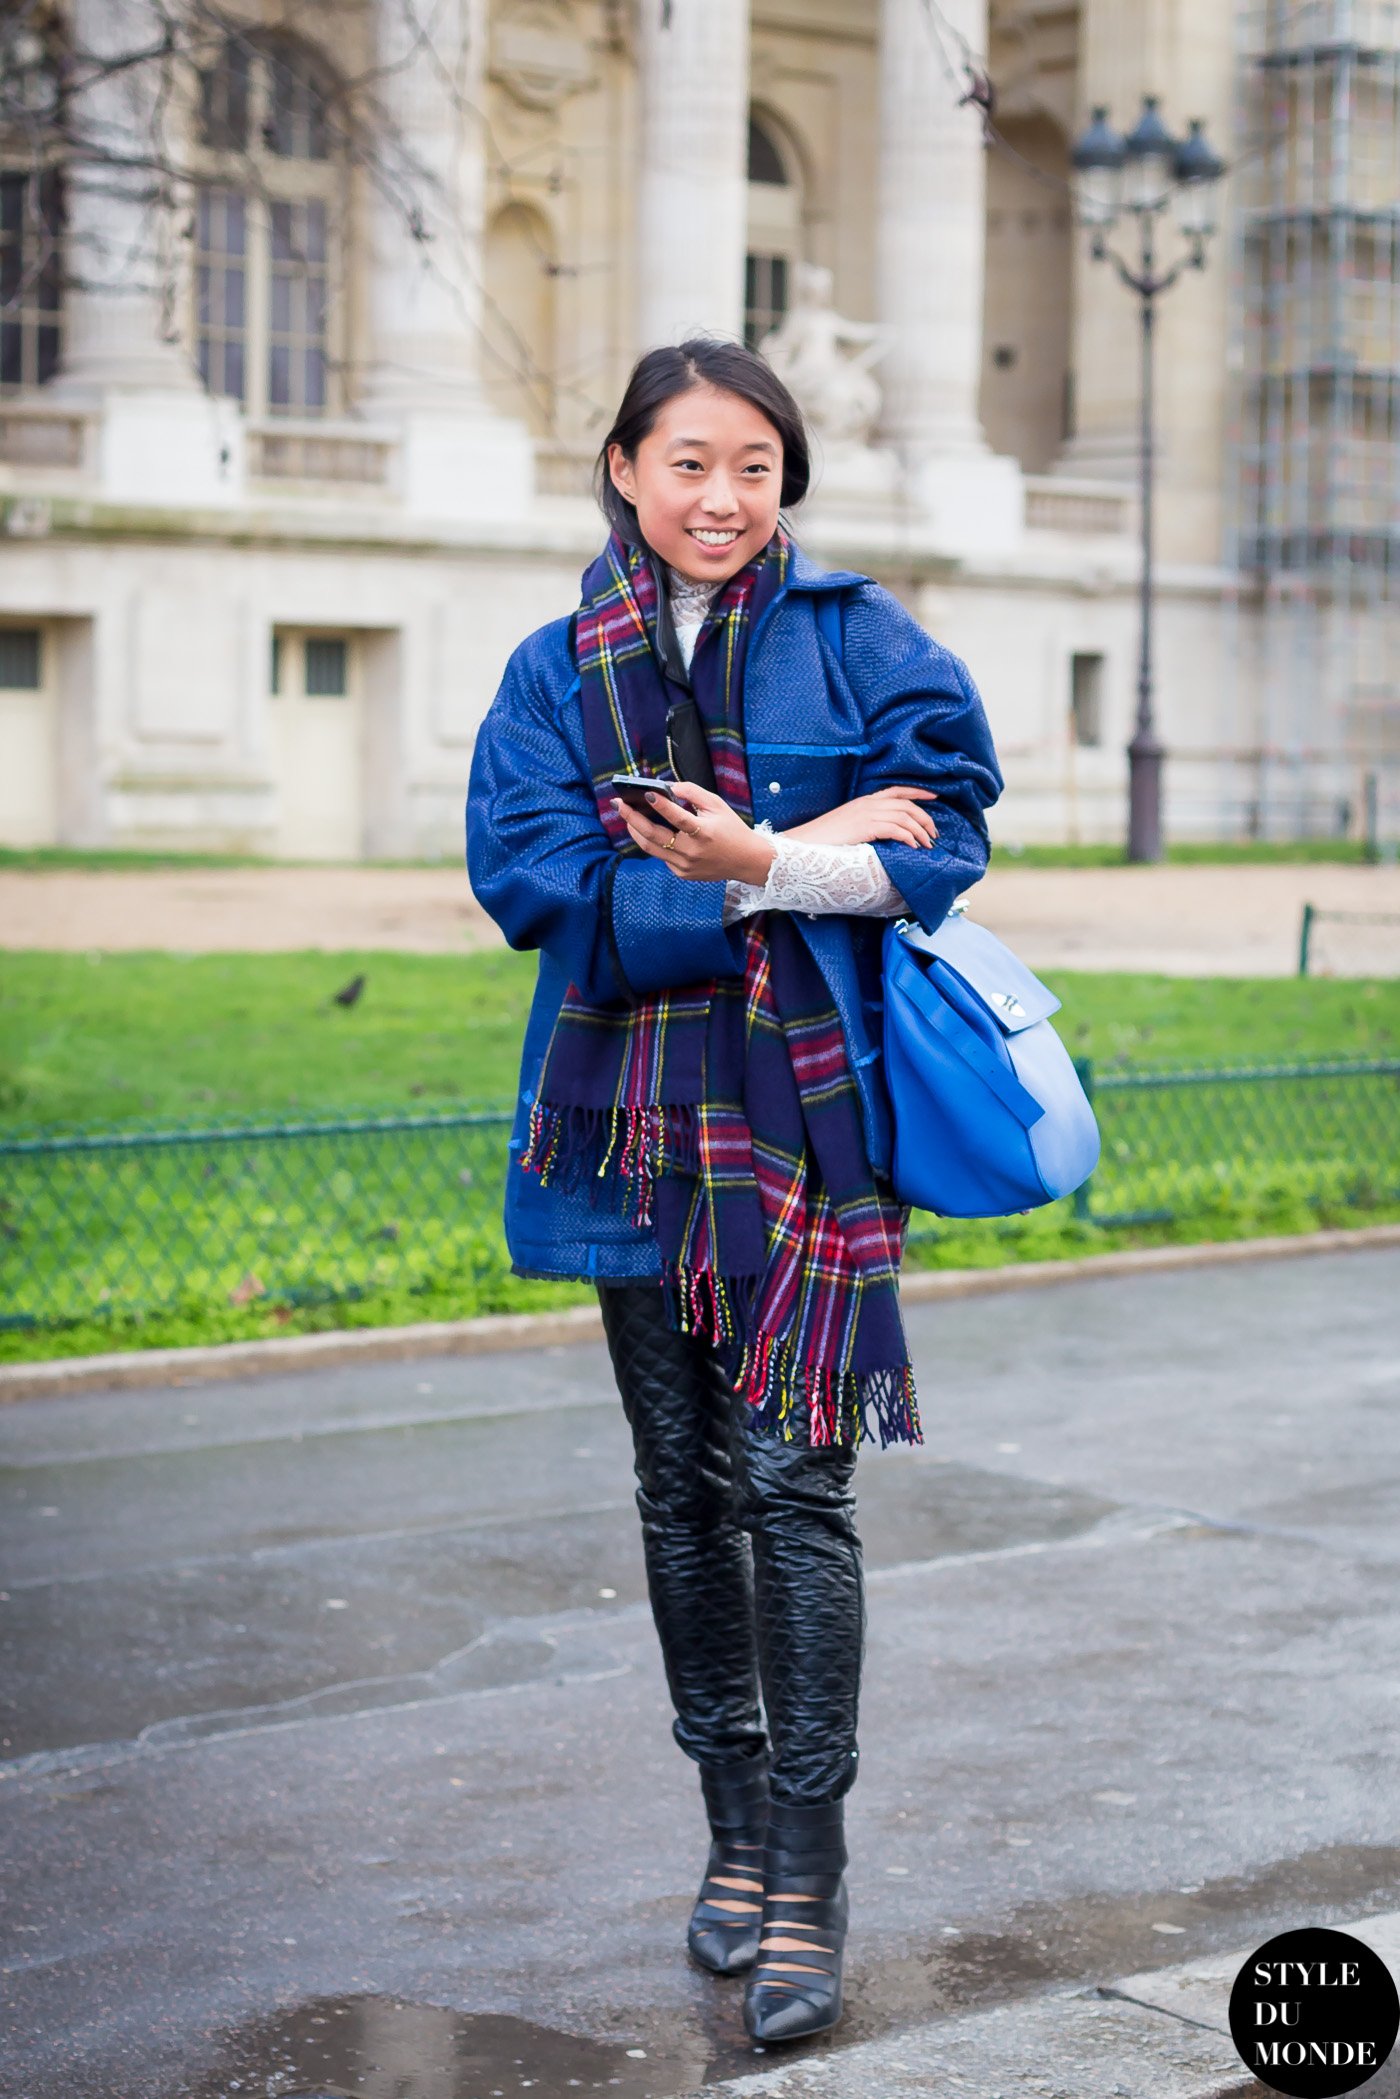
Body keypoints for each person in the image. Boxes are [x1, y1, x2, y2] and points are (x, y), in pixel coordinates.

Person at [466, 337, 1002, 2044]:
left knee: (796, 1494)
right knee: (681, 1489)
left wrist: (756, 856)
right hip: (628, 1125)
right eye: (688, 461)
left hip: (807, 1134)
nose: (722, 496)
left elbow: (952, 842)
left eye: (754, 466)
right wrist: (791, 878)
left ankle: (808, 1870)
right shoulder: (553, 671)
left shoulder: (863, 638)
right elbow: (539, 887)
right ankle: (729, 1840)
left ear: (788, 483)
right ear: (624, 468)